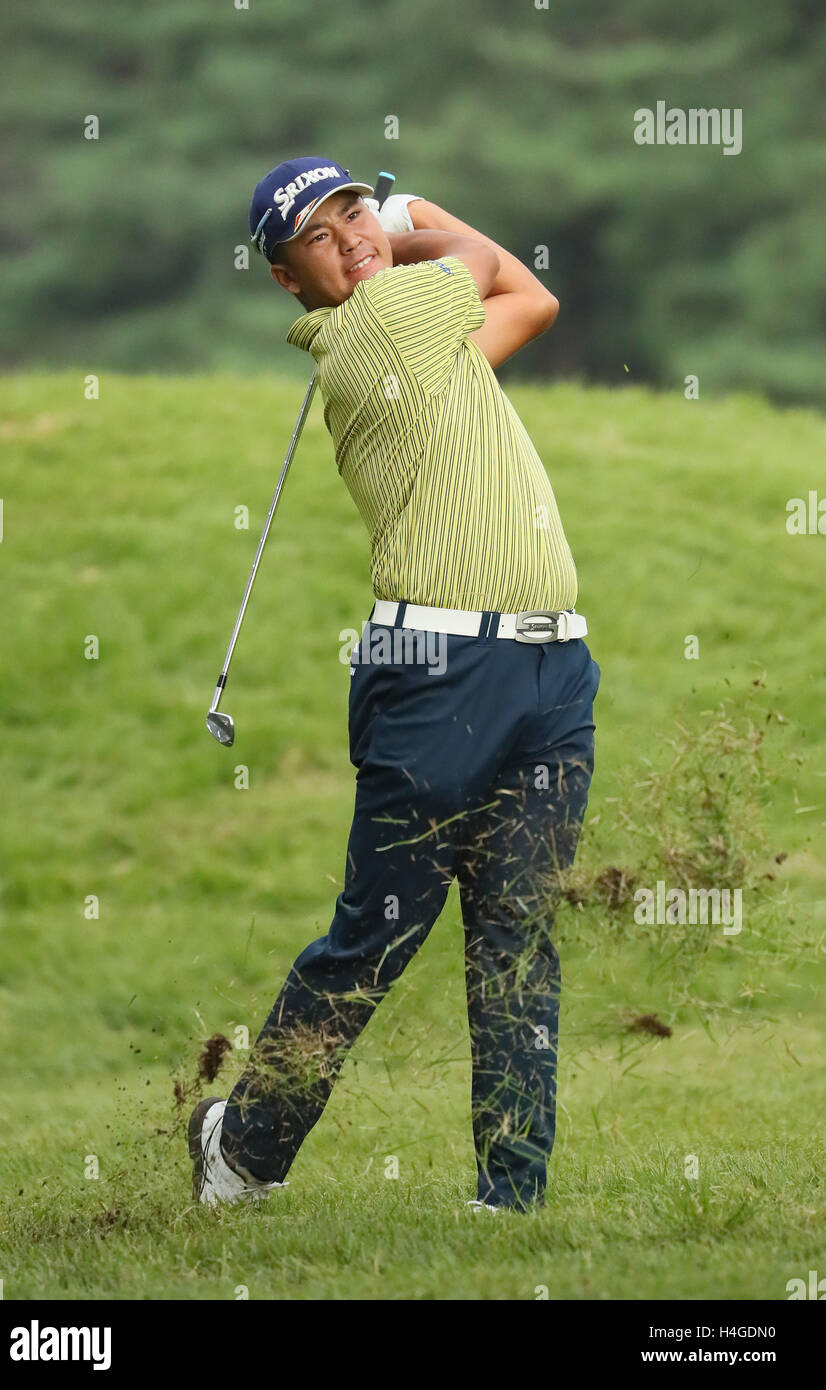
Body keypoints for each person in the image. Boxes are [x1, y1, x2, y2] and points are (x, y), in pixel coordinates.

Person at [189, 156, 600, 1213]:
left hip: (551, 668)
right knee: (376, 934)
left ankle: (508, 1201)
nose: (348, 236)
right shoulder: (373, 330)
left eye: (350, 213)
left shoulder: (429, 341)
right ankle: (240, 1147)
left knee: (516, 939)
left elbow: (533, 299)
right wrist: (409, 215)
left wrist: (388, 228)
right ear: (287, 277)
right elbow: (478, 260)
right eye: (319, 233)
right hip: (436, 673)